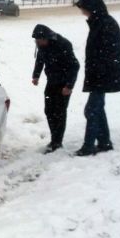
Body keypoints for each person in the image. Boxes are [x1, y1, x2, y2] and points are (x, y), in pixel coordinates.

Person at [74, 0, 120, 156]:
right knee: (97, 109)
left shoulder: (106, 24)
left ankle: (88, 146)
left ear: (92, 8)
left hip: (103, 75)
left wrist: (99, 73)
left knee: (91, 110)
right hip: (99, 74)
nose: (83, 13)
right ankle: (104, 143)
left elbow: (109, 52)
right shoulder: (99, 22)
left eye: (84, 9)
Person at [31, 24, 80, 153]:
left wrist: (69, 86)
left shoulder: (63, 45)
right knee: (49, 111)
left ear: (46, 37)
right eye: (36, 41)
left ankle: (57, 142)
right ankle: (54, 138)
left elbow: (75, 66)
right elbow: (40, 60)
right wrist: (36, 75)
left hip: (64, 84)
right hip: (51, 82)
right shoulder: (42, 45)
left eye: (39, 40)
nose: (38, 43)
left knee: (59, 112)